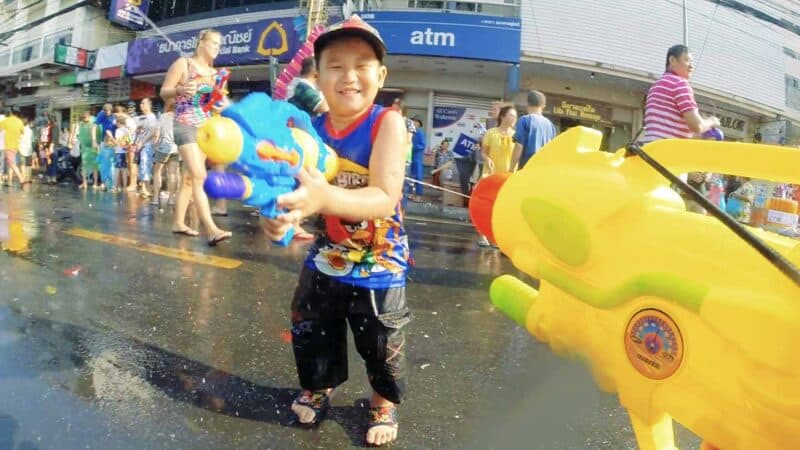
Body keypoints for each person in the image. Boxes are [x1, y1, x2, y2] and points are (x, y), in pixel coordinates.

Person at [261, 16, 410, 447]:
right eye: (335, 66)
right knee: (311, 327)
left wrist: (322, 198)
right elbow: (295, 195)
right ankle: (319, 386)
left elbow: (383, 195)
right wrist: (279, 219)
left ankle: (383, 401)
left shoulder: (388, 123)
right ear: (318, 77)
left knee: (383, 342)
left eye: (362, 64)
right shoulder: (310, 132)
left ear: (380, 76)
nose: (349, 76)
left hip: (380, 262)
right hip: (326, 258)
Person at [161, 28, 232, 246]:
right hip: (185, 125)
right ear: (201, 42)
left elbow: (220, 104)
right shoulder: (184, 64)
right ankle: (211, 229)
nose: (217, 49)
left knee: (190, 179)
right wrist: (180, 90)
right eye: (214, 43)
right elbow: (164, 91)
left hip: (205, 129)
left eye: (220, 46)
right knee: (200, 176)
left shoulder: (216, 75)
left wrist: (222, 103)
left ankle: (178, 223)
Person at [643, 45, 720, 143]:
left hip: (650, 149)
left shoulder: (655, 86)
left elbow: (671, 129)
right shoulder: (680, 84)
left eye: (692, 62)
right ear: (672, 60)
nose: (691, 66)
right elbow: (697, 126)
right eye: (687, 60)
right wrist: (712, 121)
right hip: (668, 152)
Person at [511, 90, 556, 171]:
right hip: (544, 170)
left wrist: (511, 168)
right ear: (543, 106)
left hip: (527, 168)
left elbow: (518, 146)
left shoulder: (525, 120)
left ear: (527, 104)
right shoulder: (551, 125)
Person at [152, 98, 179, 206]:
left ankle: (155, 198)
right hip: (176, 148)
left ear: (167, 106)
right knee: (173, 174)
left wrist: (155, 144)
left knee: (157, 172)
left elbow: (156, 134)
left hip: (163, 147)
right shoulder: (179, 118)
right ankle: (171, 199)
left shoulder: (163, 117)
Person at [132, 97, 159, 198]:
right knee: (141, 166)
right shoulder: (140, 118)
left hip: (147, 145)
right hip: (139, 146)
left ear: (149, 105)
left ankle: (147, 188)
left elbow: (153, 132)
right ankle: (143, 188)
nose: (141, 105)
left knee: (145, 165)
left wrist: (142, 142)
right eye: (141, 104)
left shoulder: (152, 118)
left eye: (143, 103)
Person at [0, 109, 26, 186]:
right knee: (10, 163)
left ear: (10, 113)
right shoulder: (19, 121)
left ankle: (21, 178)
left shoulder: (6, 121)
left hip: (8, 145)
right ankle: (10, 181)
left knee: (11, 163)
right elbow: (22, 132)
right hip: (16, 145)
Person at [95, 103, 116, 190]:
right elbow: (95, 126)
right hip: (106, 140)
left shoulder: (115, 116)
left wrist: (113, 140)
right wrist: (94, 141)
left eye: (108, 111)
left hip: (114, 140)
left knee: (112, 166)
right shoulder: (101, 114)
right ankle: (104, 183)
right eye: (105, 111)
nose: (106, 113)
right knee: (105, 166)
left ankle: (113, 184)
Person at [77, 111, 99, 189]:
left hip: (93, 147)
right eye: (82, 118)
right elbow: (80, 133)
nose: (84, 119)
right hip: (84, 147)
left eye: (85, 118)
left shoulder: (94, 121)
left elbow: (98, 132)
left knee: (95, 166)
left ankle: (95, 183)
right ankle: (84, 183)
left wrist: (96, 143)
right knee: (84, 166)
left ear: (89, 117)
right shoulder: (81, 123)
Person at [406, 116, 426, 202]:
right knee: (409, 176)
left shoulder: (420, 133)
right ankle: (409, 193)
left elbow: (422, 146)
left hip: (417, 158)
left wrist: (412, 147)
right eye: (413, 121)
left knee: (418, 177)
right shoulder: (409, 132)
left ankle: (418, 195)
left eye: (415, 122)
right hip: (408, 157)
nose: (413, 123)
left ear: (419, 124)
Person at [18, 118, 33, 184]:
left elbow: (18, 139)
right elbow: (33, 141)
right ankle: (29, 178)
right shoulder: (30, 130)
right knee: (29, 164)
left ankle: (23, 178)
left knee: (23, 164)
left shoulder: (20, 130)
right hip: (29, 149)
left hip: (21, 149)